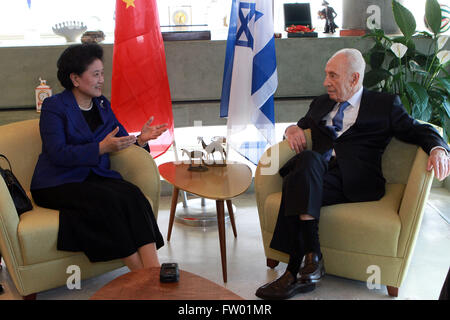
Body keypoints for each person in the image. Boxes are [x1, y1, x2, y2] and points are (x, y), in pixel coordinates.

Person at [255, 48, 450, 300]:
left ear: (354, 79)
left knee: (299, 179)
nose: (326, 82)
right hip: (318, 172)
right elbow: (301, 125)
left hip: (356, 179)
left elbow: (418, 130)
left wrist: (438, 149)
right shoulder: (321, 102)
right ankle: (310, 263)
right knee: (307, 164)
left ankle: (293, 272)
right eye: (326, 75)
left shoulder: (385, 105)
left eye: (333, 76)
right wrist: (292, 130)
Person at [30, 43, 168, 271]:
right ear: (75, 79)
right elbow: (57, 153)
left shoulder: (102, 105)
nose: (102, 80)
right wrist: (100, 149)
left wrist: (141, 139)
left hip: (93, 178)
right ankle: (142, 277)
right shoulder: (54, 106)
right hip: (57, 182)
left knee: (133, 194)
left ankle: (153, 270)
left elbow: (121, 139)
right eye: (95, 74)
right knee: (109, 203)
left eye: (102, 73)